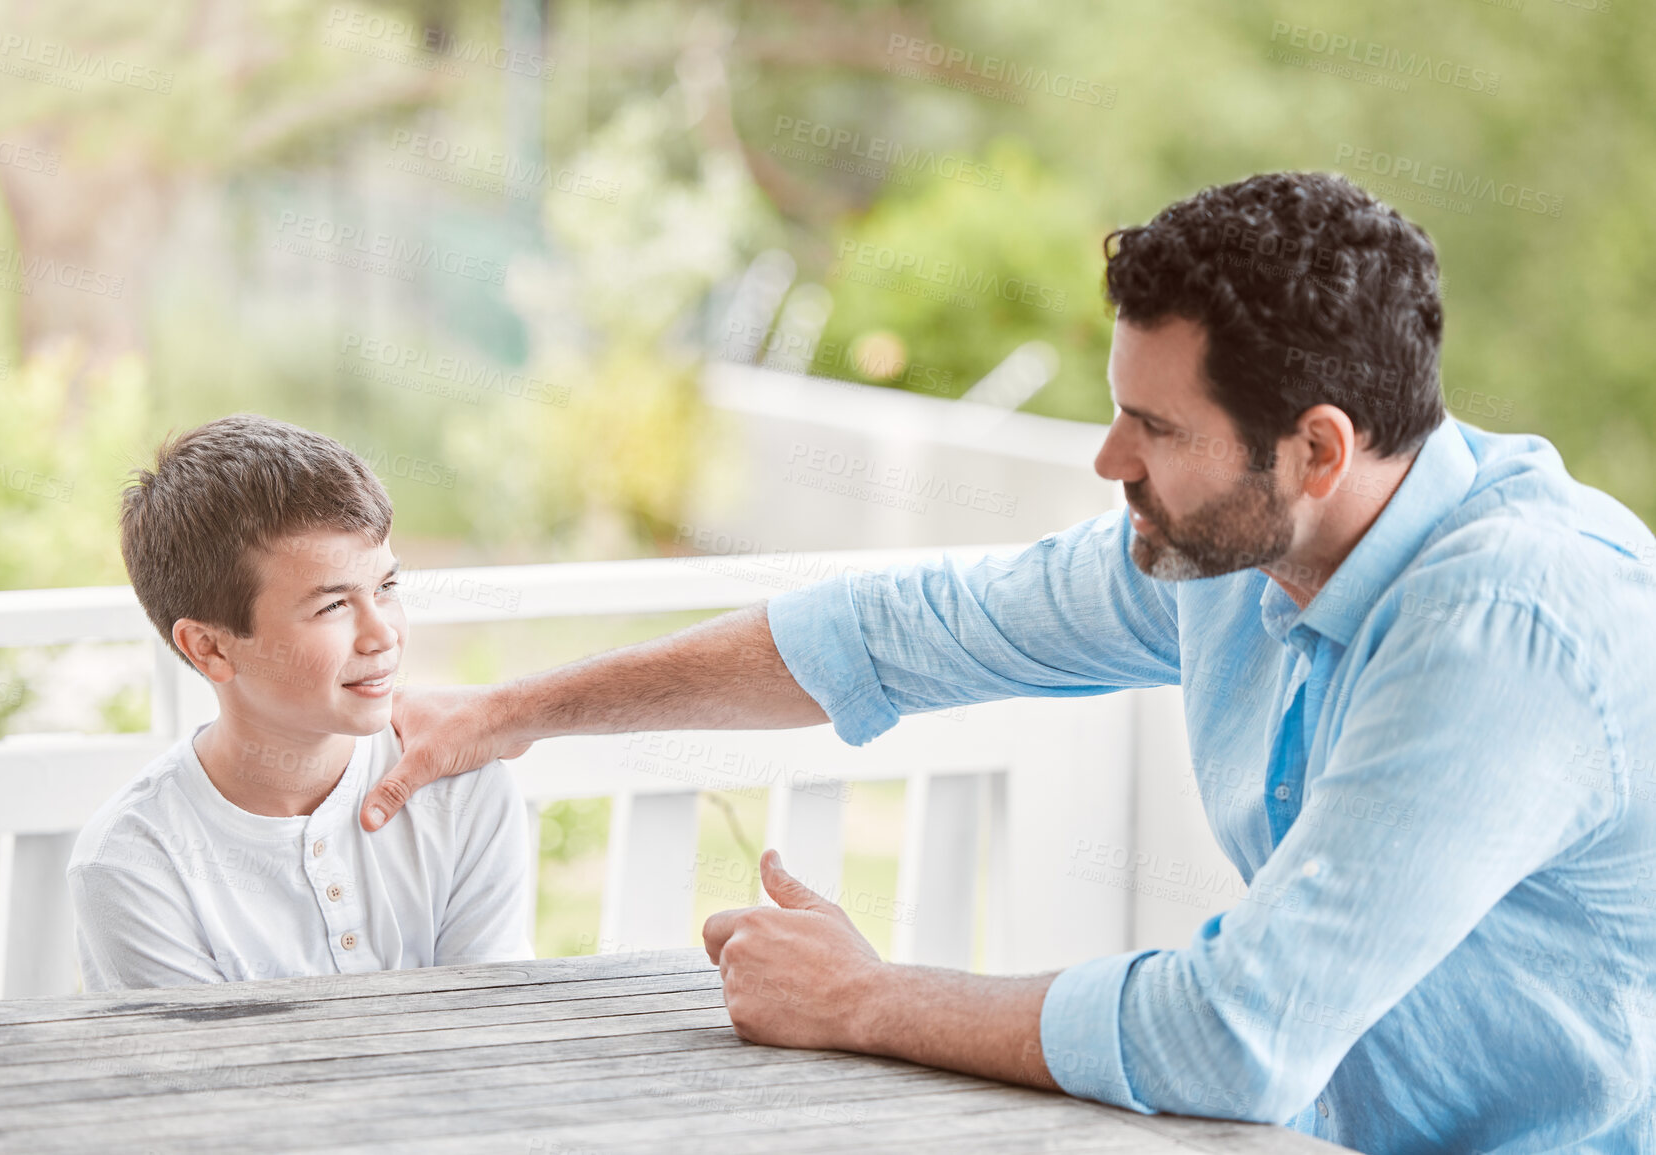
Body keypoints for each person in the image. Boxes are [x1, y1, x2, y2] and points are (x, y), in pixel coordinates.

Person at [359, 173, 1656, 1153]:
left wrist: (864, 996)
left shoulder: (1507, 623)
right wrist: (511, 711)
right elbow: (897, 632)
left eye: (1151, 427)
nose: (1108, 463)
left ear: (1313, 451)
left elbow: (1235, 1033)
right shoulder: (1238, 552)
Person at [68, 415, 534, 991]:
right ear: (210, 647)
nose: (382, 635)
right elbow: (214, 1076)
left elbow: (491, 1028)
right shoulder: (133, 865)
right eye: (333, 606)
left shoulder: (460, 786)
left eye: (386, 588)